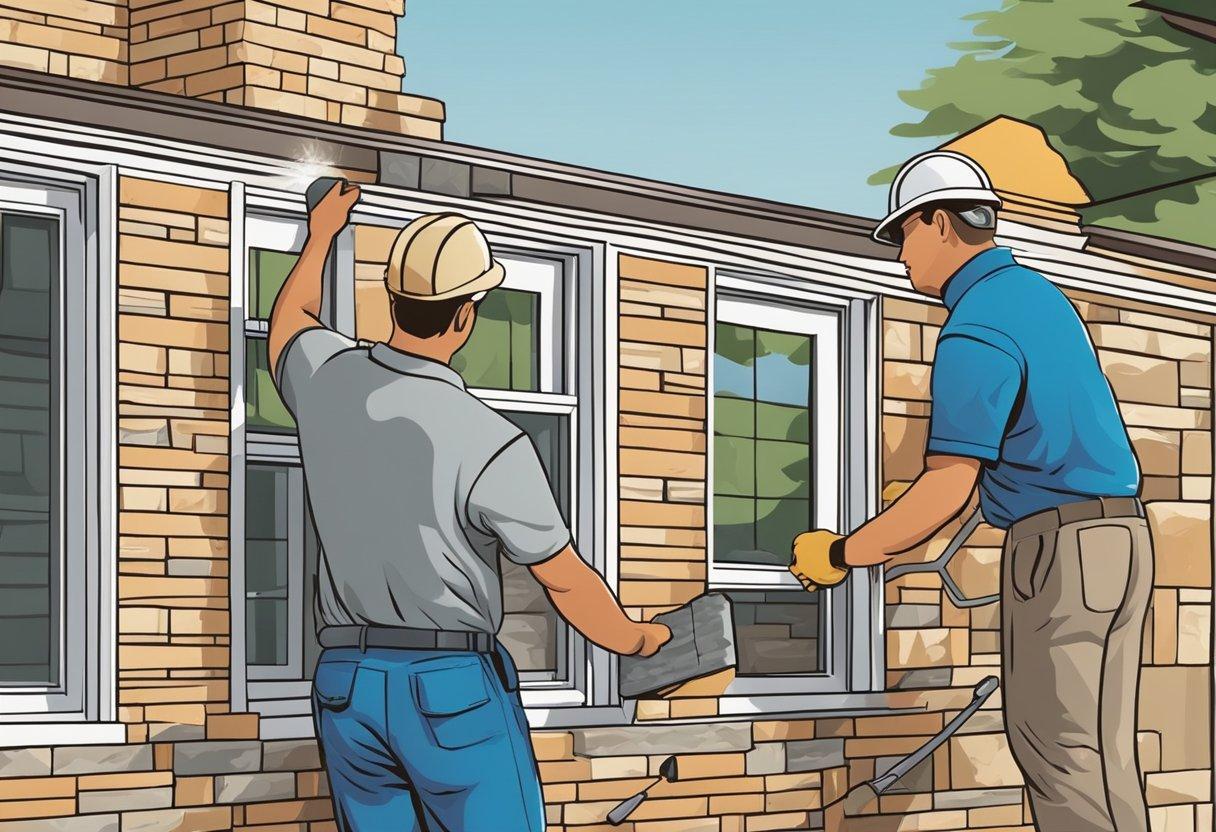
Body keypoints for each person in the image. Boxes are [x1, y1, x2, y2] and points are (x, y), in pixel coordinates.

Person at [268, 181, 671, 832]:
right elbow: (563, 577)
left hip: (347, 686)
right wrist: (637, 638)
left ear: (393, 302)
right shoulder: (488, 438)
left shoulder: (325, 378)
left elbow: (291, 320)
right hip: (449, 689)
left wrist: (322, 233)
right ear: (465, 315)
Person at [790, 151, 1151, 832]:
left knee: (1061, 759)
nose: (901, 258)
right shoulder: (1039, 297)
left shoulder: (976, 324)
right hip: (1122, 541)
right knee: (1105, 758)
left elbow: (947, 486)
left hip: (1060, 551)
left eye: (903, 236)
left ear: (939, 223)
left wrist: (841, 554)